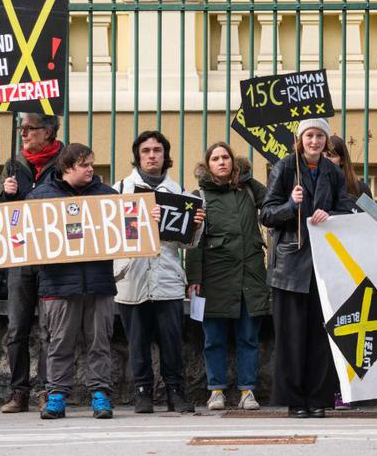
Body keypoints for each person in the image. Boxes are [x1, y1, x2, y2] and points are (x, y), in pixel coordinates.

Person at [260, 118, 356, 418]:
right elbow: (267, 213)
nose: (314, 141)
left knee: (319, 336)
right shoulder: (286, 167)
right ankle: (295, 401)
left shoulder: (332, 171)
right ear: (300, 139)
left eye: (319, 136)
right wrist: (291, 204)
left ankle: (318, 399)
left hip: (323, 264)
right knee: (291, 337)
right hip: (290, 268)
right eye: (309, 136)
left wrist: (331, 214)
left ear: (326, 141)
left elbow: (345, 208)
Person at [113, 131, 204, 414]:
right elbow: (110, 234)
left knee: (171, 341)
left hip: (167, 276)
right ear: (138, 156)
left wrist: (197, 224)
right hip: (131, 277)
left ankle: (175, 391)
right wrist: (141, 220)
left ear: (165, 155)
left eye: (157, 150)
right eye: (146, 151)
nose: (152, 155)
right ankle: (142, 393)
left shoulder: (179, 194)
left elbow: (187, 242)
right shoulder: (119, 190)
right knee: (137, 341)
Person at [29, 143, 118, 420]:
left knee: (100, 342)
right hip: (58, 285)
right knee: (59, 343)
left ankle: (100, 395)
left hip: (99, 283)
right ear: (67, 168)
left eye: (92, 164)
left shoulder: (108, 196)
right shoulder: (40, 198)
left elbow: (130, 227)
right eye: (85, 165)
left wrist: (147, 220)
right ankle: (56, 396)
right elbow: (20, 231)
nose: (91, 169)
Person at [186, 142, 269, 411]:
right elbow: (194, 240)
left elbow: (271, 200)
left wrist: (246, 176)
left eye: (226, 157)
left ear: (234, 161)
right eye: (215, 158)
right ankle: (216, 391)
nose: (221, 162)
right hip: (215, 277)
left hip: (249, 275)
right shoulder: (199, 195)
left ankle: (247, 391)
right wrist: (193, 277)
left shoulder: (247, 188)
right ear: (207, 164)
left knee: (248, 337)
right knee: (214, 339)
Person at [0, 113, 63, 414]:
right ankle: (19, 391)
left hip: (51, 257)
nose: (23, 134)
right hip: (20, 257)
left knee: (48, 329)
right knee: (17, 328)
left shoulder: (63, 161)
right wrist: (4, 197)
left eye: (29, 128)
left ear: (47, 131)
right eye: (21, 129)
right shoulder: (13, 165)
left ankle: (48, 391)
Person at [324, 135, 368, 410]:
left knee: (349, 330)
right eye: (325, 154)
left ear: (342, 158)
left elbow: (370, 225)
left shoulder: (358, 187)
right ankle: (327, 389)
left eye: (333, 154)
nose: (328, 158)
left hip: (351, 267)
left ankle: (348, 390)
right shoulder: (312, 183)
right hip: (323, 267)